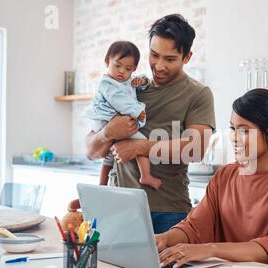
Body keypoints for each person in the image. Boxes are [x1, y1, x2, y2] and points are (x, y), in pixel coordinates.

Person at [68, 14, 215, 234]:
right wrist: (108, 132)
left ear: (187, 57)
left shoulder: (198, 94)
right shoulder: (128, 88)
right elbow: (90, 150)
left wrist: (139, 147)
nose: (159, 65)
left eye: (170, 59)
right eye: (154, 55)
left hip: (168, 212)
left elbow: (195, 149)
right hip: (117, 207)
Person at [156, 89, 268, 268]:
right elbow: (194, 227)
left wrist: (210, 250)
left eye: (244, 131)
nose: (234, 138)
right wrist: (164, 238)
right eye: (233, 128)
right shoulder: (225, 175)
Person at [84, 40, 162, 190]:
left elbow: (135, 88)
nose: (122, 72)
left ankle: (101, 185)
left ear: (134, 69)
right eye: (117, 66)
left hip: (109, 120)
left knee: (109, 155)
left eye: (128, 68)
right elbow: (119, 101)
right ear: (107, 62)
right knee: (141, 140)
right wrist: (137, 111)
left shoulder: (126, 81)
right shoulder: (107, 83)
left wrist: (143, 81)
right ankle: (146, 175)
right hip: (105, 120)